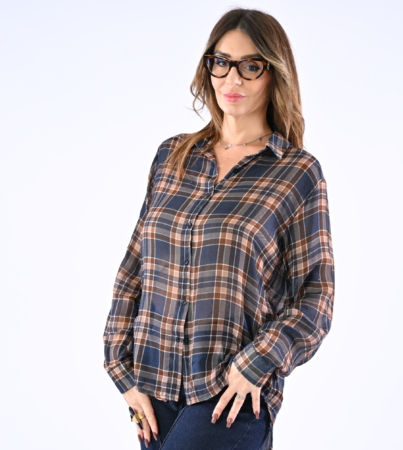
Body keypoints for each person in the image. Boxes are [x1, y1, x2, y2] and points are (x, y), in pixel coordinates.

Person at [103, 7, 335, 450]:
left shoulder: (296, 173)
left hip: (230, 395)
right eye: (222, 62)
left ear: (274, 74)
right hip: (152, 390)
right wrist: (121, 370)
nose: (233, 78)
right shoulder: (173, 157)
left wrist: (257, 362)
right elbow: (135, 267)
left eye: (251, 66)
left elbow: (316, 295)